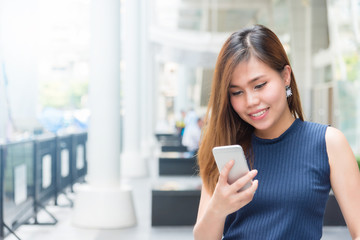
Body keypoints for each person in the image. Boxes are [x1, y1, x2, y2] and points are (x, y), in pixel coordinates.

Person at [193, 24, 360, 240]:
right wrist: (218, 207)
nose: (251, 101)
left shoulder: (328, 143)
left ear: (286, 76)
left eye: (260, 85)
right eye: (237, 92)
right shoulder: (225, 145)